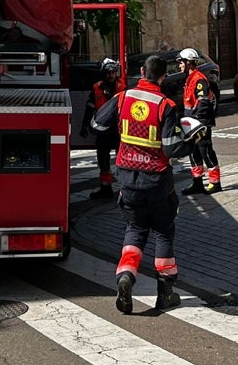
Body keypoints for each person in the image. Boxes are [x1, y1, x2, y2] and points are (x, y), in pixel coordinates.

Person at [90, 54, 188, 313]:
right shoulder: (165, 105)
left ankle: (126, 276)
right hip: (157, 182)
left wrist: (123, 135)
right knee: (164, 231)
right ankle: (165, 293)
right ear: (163, 76)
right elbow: (170, 149)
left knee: (135, 229)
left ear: (142, 71)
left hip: (128, 179)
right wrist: (190, 142)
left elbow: (97, 123)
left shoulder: (123, 97)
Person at [176, 47, 221, 194]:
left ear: (189, 63)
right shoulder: (189, 80)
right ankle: (197, 182)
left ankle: (215, 182)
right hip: (191, 123)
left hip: (200, 123)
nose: (179, 65)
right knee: (193, 152)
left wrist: (197, 122)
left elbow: (203, 103)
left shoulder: (199, 79)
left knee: (205, 151)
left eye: (181, 62)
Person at [80, 57, 124, 199]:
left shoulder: (122, 88)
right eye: (108, 73)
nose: (111, 75)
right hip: (103, 131)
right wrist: (84, 126)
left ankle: (126, 190)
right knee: (103, 159)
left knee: (122, 160)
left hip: (118, 131)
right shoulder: (97, 88)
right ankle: (106, 188)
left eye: (113, 72)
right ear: (103, 73)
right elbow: (89, 108)